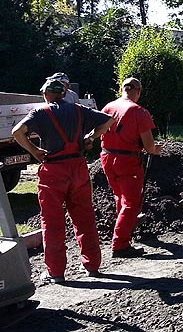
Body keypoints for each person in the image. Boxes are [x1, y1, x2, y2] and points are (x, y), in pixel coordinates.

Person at [12, 79, 114, 284]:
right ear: (63, 93)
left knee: (52, 223)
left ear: (46, 94)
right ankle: (92, 266)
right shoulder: (78, 110)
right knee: (85, 218)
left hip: (54, 172)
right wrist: (91, 137)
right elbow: (108, 120)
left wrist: (34, 150)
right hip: (78, 169)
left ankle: (56, 272)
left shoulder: (40, 113)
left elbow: (17, 132)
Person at [100, 77, 162, 258]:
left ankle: (124, 236)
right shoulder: (139, 112)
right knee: (132, 204)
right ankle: (119, 244)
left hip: (106, 157)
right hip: (127, 161)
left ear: (122, 89)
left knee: (120, 197)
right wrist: (156, 149)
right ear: (138, 91)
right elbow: (150, 147)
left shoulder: (108, 107)